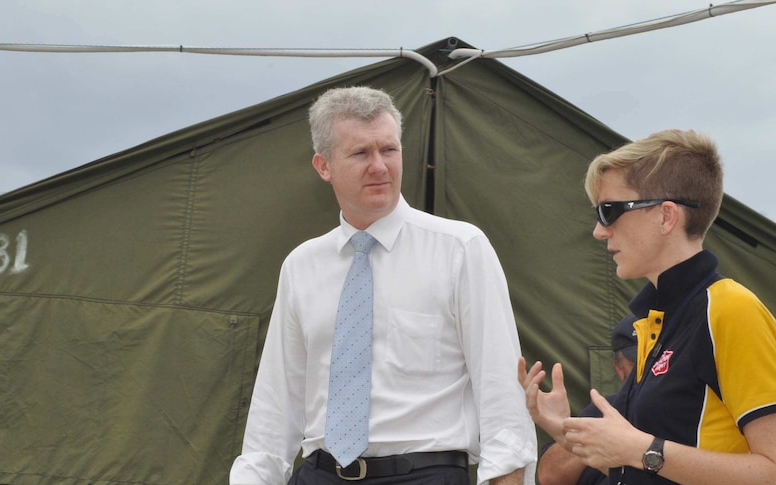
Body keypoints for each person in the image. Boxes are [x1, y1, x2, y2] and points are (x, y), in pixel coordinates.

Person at [230, 86, 537, 484]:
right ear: (323, 166)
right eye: (360, 153)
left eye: (389, 150)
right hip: (319, 474)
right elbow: (275, 405)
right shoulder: (301, 266)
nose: (379, 166)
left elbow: (501, 390)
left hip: (426, 474)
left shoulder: (461, 250)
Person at [519, 129, 776, 484]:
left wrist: (640, 449)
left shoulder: (730, 309)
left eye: (609, 211)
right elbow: (653, 465)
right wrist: (568, 431)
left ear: (666, 216)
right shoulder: (657, 323)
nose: (598, 230)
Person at [536, 314, 637, 485]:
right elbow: (548, 477)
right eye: (637, 361)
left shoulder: (687, 406)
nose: (648, 368)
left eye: (653, 358)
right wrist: (587, 437)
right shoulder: (605, 408)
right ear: (619, 368)